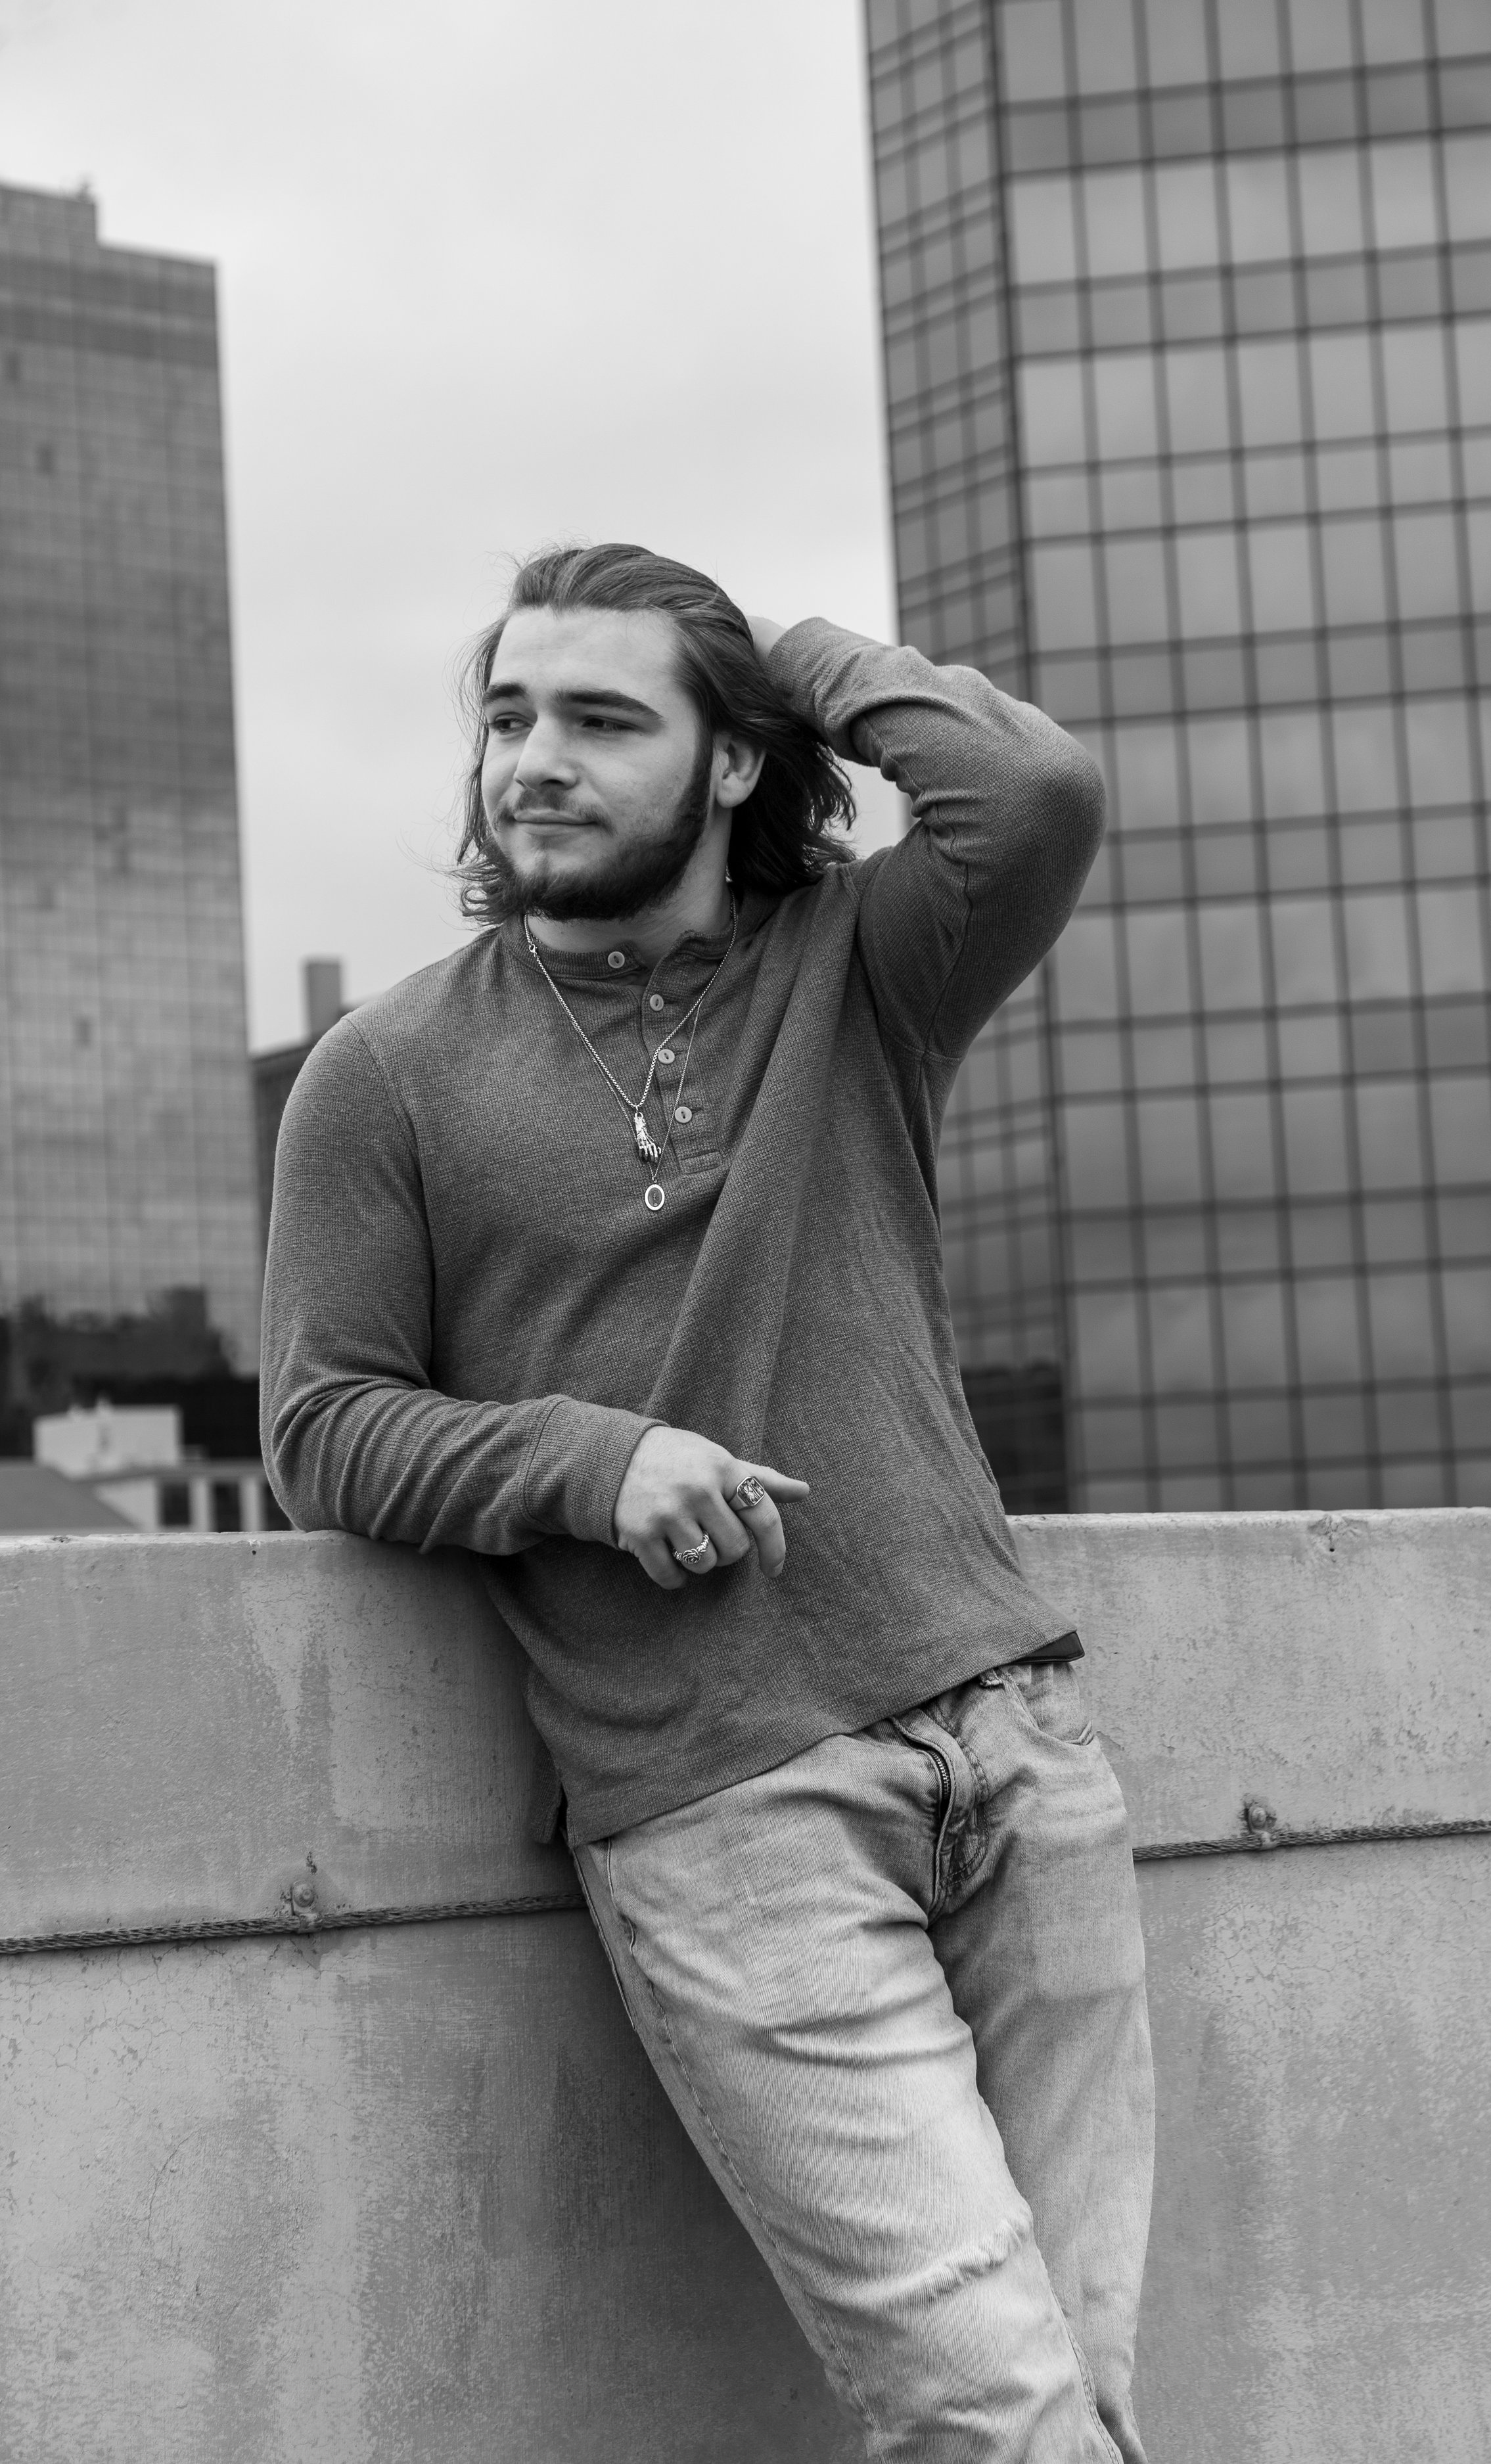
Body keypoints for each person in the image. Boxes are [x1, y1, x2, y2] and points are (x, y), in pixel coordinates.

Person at [262, 541, 1153, 2463]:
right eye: (507, 714)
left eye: (600, 716)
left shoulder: (860, 966)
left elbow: (1036, 792)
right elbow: (324, 1421)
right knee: (996, 2416)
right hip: (725, 1801)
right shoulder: (385, 1073)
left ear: (734, 760)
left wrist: (781, 650)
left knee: (1068, 2398)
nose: (530, 761)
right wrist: (591, 1461)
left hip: (1018, 1737)